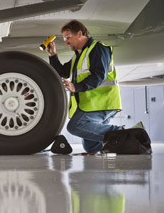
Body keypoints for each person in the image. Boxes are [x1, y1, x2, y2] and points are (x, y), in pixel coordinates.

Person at [46, 20, 122, 154]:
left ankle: (123, 135)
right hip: (91, 104)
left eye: (68, 37)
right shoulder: (78, 56)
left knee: (75, 126)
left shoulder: (98, 48)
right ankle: (114, 145)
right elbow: (63, 72)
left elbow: (99, 75)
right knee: (91, 147)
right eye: (64, 38)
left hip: (102, 102)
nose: (66, 41)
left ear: (80, 33)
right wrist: (53, 55)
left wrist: (76, 86)